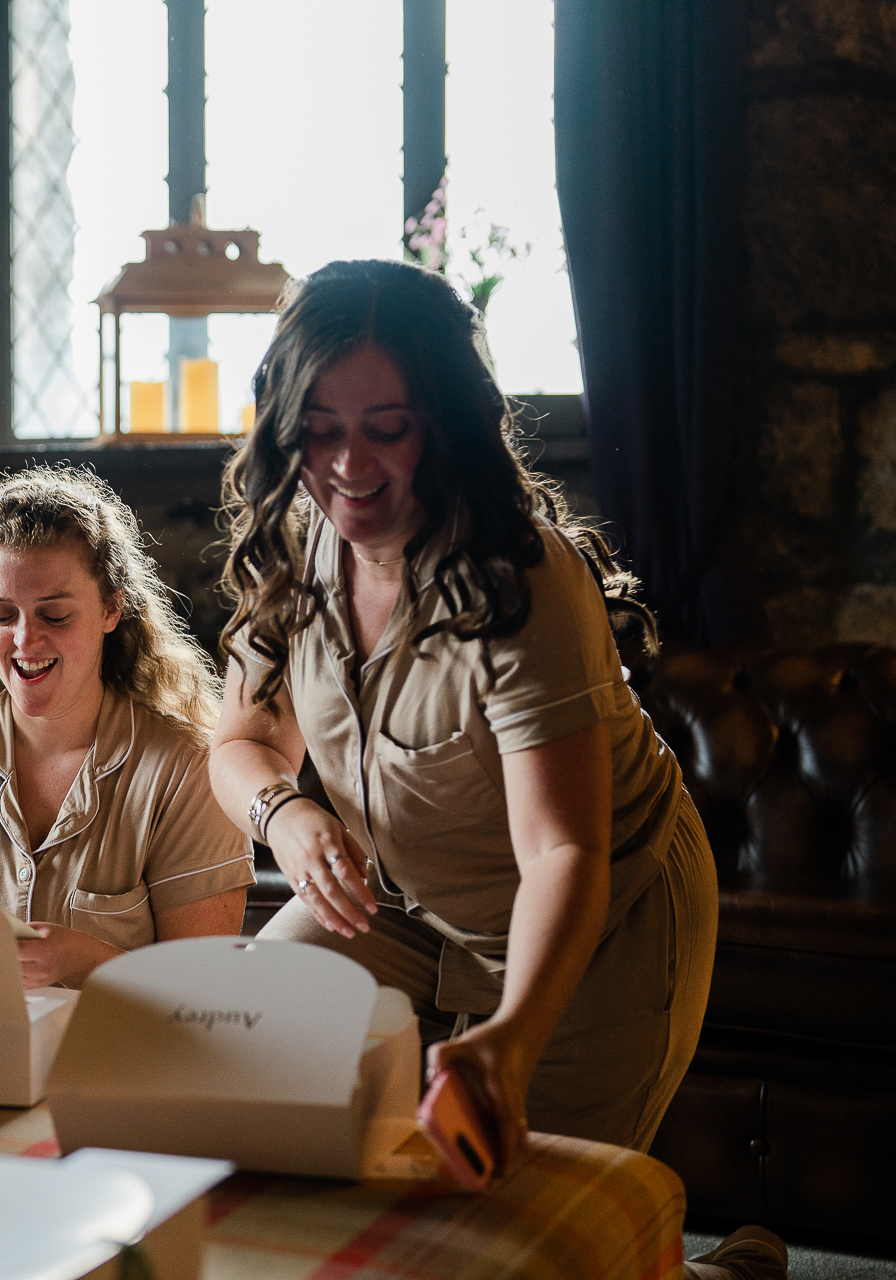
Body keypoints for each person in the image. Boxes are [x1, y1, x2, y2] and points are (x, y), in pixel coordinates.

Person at [208, 260, 783, 1278]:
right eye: (319, 429)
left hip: (601, 913)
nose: (348, 465)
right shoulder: (294, 545)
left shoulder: (520, 577)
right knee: (239, 1068)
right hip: (399, 908)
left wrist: (511, 1038)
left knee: (530, 1232)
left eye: (387, 426)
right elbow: (240, 741)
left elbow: (563, 845)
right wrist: (286, 816)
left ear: (450, 421)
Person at [0, 466, 255, 989]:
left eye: (54, 616)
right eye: (2, 615)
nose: (26, 642)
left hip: (122, 1060)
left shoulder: (187, 769)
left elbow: (206, 993)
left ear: (111, 609)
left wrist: (91, 963)